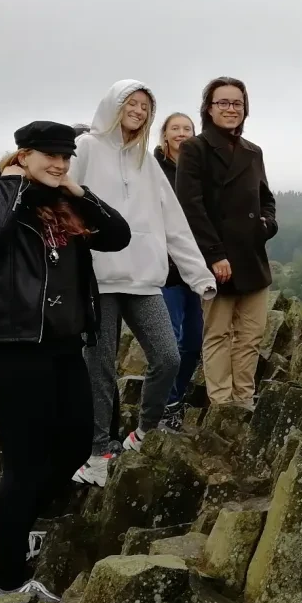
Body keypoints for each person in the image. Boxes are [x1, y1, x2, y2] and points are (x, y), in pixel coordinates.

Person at [0, 121, 131, 601]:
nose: (59, 164)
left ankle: (18, 528)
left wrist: (77, 190)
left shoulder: (66, 202)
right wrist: (10, 180)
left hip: (63, 346)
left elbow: (118, 235)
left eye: (65, 157)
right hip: (12, 348)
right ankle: (8, 581)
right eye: (49, 156)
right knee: (25, 462)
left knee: (76, 443)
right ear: (23, 155)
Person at [69, 81, 215, 486]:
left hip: (143, 280)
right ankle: (98, 454)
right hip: (97, 279)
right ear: (114, 105)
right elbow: (63, 202)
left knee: (168, 357)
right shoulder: (86, 148)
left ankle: (144, 431)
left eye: (144, 106)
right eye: (130, 103)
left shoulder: (146, 163)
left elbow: (174, 222)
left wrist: (198, 275)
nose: (137, 111)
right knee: (100, 369)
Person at [174, 79, 278, 408]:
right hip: (217, 259)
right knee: (217, 334)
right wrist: (215, 255)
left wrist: (267, 225)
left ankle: (243, 400)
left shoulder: (253, 151)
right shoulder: (195, 149)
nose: (231, 109)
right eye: (224, 103)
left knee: (251, 335)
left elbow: (266, 198)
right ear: (209, 108)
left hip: (252, 257)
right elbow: (190, 206)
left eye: (237, 103)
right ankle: (220, 404)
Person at [154, 113, 203, 428]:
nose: (182, 133)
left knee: (194, 342)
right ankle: (164, 406)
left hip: (196, 268)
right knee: (168, 342)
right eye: (175, 128)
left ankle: (176, 396)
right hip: (165, 269)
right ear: (164, 134)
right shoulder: (152, 168)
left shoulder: (201, 169)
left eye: (187, 128)